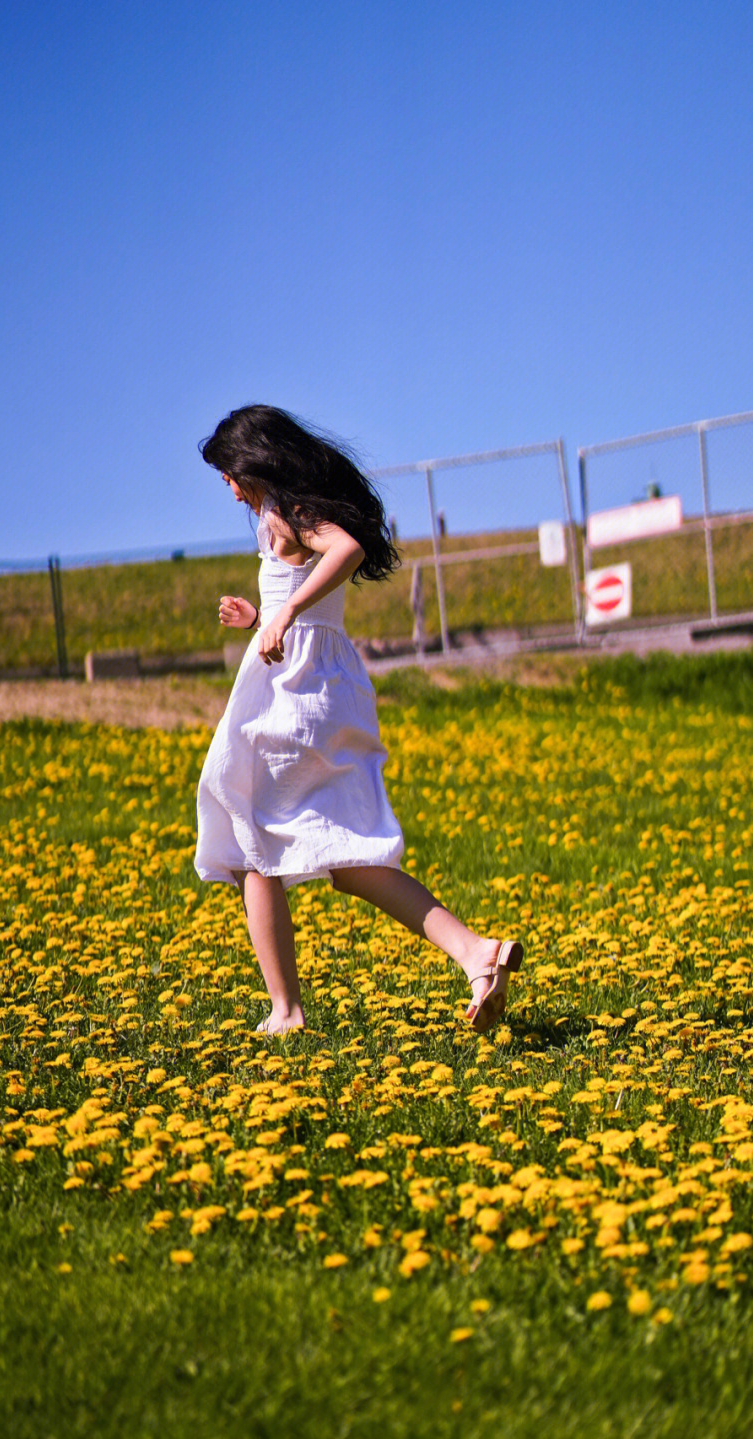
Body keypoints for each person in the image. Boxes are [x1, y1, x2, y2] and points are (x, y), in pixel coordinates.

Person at [193, 404, 523, 1035]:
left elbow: (347, 547)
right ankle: (476, 953)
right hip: (324, 684)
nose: (229, 488)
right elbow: (302, 586)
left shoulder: (284, 509)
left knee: (246, 841)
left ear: (251, 460)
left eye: (229, 473)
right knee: (346, 858)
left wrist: (284, 616)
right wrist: (259, 618)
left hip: (296, 690)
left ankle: (286, 1010)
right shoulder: (279, 514)